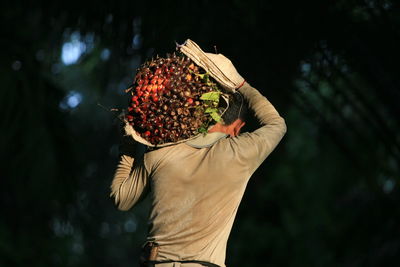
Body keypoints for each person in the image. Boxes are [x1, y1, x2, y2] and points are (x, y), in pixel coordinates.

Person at [110, 46, 287, 267]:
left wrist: (127, 147)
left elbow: (121, 199)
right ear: (232, 126)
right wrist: (241, 84)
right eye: (239, 128)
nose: (238, 133)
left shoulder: (159, 155)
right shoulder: (239, 154)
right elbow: (277, 125)